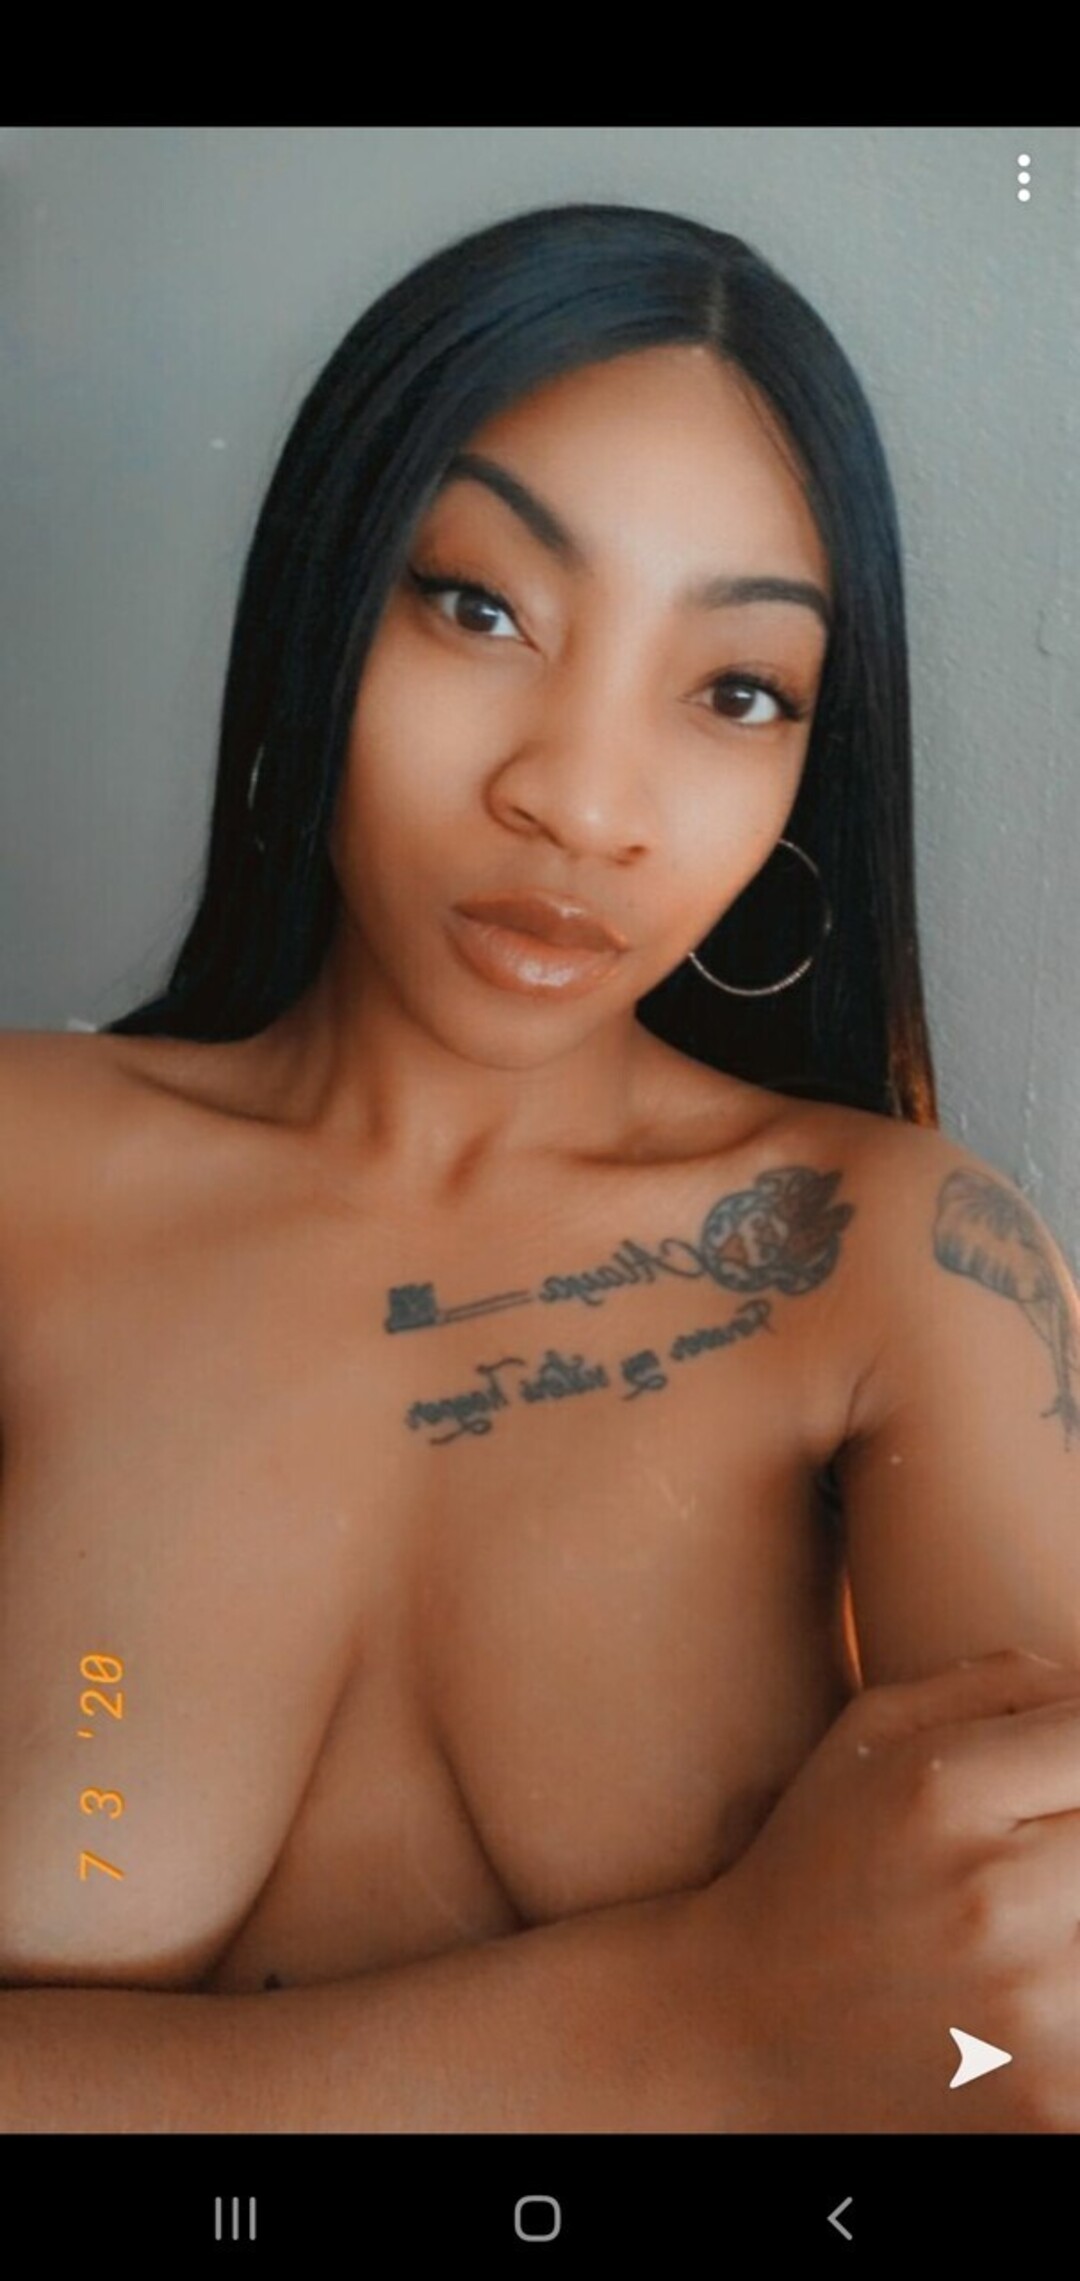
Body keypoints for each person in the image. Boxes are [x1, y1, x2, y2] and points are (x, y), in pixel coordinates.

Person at [1, 202, 1077, 2135]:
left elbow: (1028, 2044)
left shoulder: (897, 1261)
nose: (580, 800)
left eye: (736, 689)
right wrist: (706, 2016)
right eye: (479, 606)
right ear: (330, 598)